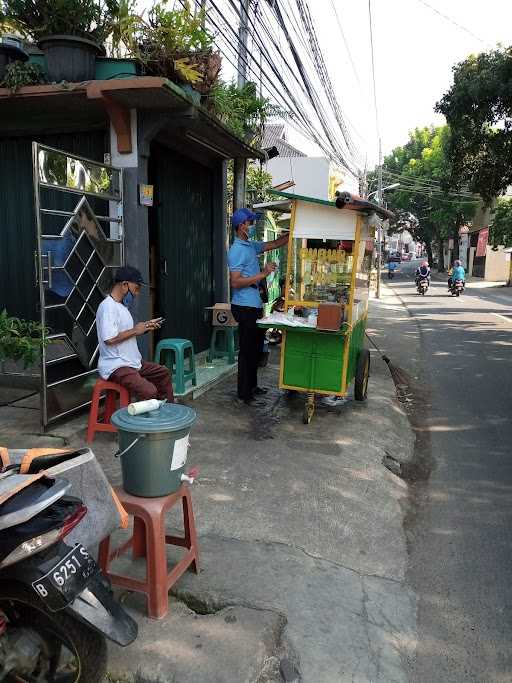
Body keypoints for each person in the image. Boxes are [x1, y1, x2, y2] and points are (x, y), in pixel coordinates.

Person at [228, 208, 289, 406]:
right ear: (241, 226)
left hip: (253, 304)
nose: (253, 226)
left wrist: (291, 233)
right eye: (250, 222)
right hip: (243, 306)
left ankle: (252, 386)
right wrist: (263, 274)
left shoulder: (249, 245)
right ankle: (244, 394)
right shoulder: (236, 250)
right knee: (247, 351)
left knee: (255, 349)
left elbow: (272, 244)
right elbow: (235, 282)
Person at [96, 265, 174, 402]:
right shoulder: (108, 307)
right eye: (136, 288)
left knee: (163, 373)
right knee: (149, 391)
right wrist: (136, 330)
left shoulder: (121, 306)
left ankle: (166, 410)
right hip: (116, 365)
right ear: (125, 285)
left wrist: (145, 327)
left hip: (132, 362)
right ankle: (143, 421)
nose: (137, 293)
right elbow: (109, 339)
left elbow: (127, 333)